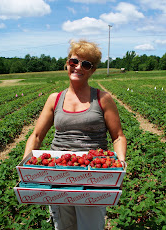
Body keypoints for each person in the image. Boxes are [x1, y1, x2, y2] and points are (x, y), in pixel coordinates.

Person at [23, 39, 127, 230]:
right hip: (58, 173)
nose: (78, 67)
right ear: (67, 64)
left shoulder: (102, 98)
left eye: (86, 64)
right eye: (74, 62)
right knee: (63, 225)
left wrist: (119, 166)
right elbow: (37, 136)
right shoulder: (54, 99)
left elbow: (118, 136)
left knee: (90, 226)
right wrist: (26, 166)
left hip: (93, 174)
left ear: (92, 70)